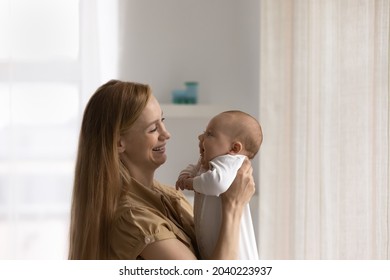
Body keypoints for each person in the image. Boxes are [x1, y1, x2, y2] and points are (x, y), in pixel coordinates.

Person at [68, 80, 256, 259]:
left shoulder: (171, 196)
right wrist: (234, 206)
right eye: (152, 129)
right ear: (118, 143)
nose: (166, 134)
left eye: (162, 120)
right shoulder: (134, 219)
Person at [176, 110, 263, 260]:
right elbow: (196, 168)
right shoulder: (212, 164)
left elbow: (217, 184)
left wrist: (190, 183)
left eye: (210, 134)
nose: (201, 137)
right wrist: (186, 174)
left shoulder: (232, 162)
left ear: (234, 148)